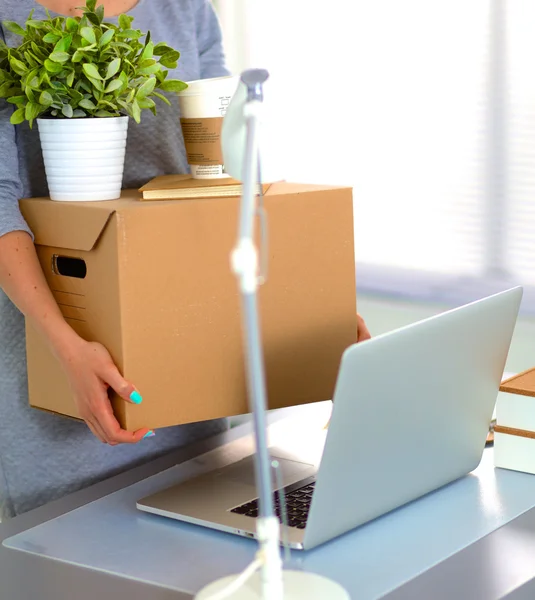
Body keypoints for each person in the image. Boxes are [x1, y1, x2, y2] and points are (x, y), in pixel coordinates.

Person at [0, 0, 370, 520]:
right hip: (63, 350)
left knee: (204, 538)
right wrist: (67, 347)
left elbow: (225, 169)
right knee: (75, 555)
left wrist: (304, 308)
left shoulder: (185, 8)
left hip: (185, 334)